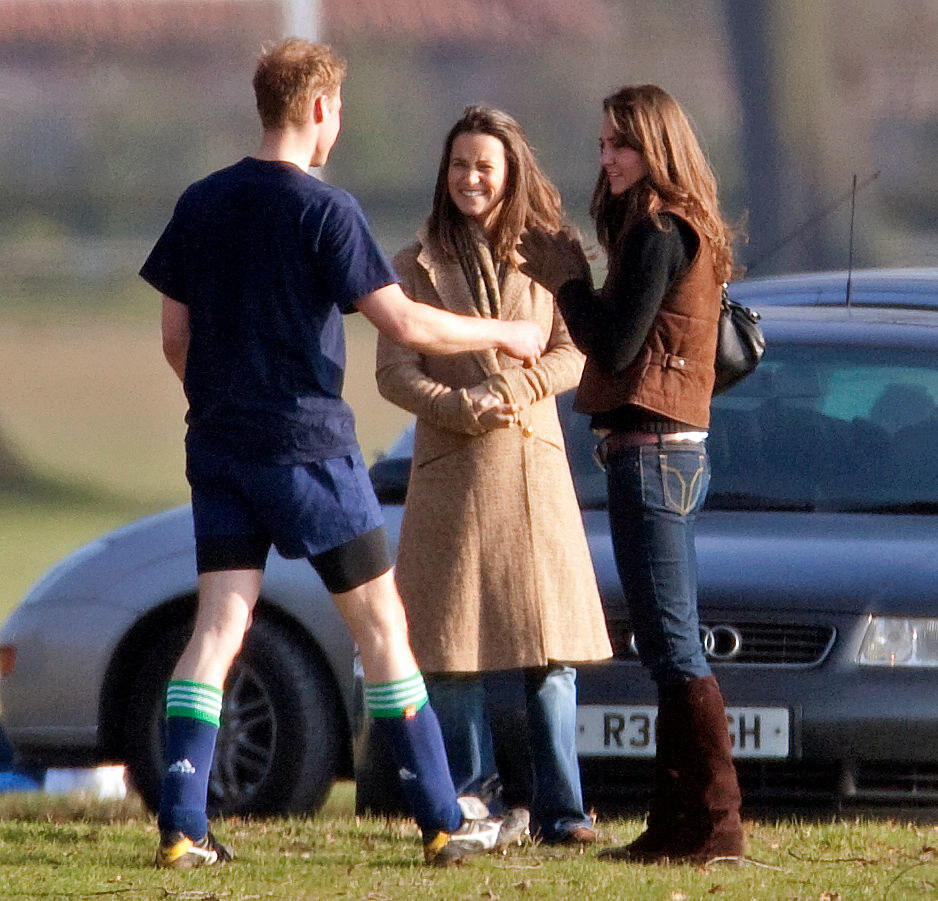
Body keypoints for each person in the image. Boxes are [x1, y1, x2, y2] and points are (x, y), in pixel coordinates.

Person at [139, 38, 547, 870]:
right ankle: (441, 816)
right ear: (319, 108)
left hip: (218, 446)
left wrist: (223, 406)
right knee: (382, 628)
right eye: (339, 111)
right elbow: (405, 324)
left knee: (219, 625)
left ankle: (183, 824)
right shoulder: (327, 211)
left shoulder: (199, 202)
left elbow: (175, 336)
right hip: (312, 451)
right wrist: (508, 332)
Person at [517, 84, 745, 864]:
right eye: (604, 143)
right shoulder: (674, 225)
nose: (607, 157)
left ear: (657, 148)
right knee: (664, 640)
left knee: (672, 642)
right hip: (665, 451)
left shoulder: (659, 230)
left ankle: (711, 822)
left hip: (653, 453)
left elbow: (612, 346)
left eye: (621, 143)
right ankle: (679, 823)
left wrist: (567, 280)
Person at [376, 105, 612, 847]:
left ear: (510, 171)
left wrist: (510, 392)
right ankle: (473, 804)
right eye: (458, 165)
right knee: (451, 656)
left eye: (484, 164)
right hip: (450, 475)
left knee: (550, 655)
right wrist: (458, 406)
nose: (470, 177)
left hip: (533, 475)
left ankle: (562, 811)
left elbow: (577, 352)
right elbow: (393, 372)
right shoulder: (411, 262)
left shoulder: (554, 252)